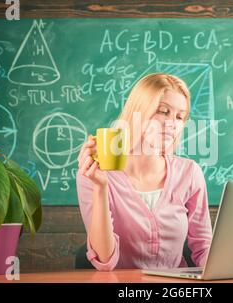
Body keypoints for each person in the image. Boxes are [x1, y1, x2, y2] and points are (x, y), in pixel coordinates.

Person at [76, 73, 212, 271]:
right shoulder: (94, 175)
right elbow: (105, 260)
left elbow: (203, 246)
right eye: (163, 112)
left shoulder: (189, 173)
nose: (172, 123)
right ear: (137, 113)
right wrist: (101, 187)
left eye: (180, 116)